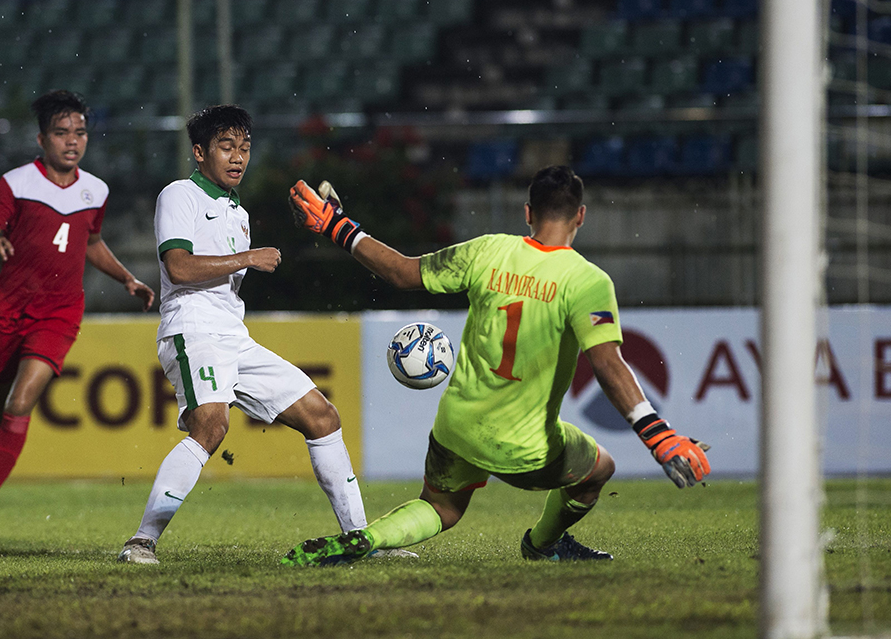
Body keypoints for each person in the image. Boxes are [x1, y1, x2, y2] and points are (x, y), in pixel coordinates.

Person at [281, 165, 711, 567]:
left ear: (528, 213)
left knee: (441, 507)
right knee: (599, 470)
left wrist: (338, 226)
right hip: (523, 447)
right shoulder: (586, 281)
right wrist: (660, 437)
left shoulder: (488, 251)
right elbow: (607, 365)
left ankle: (368, 538)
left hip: (457, 427)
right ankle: (542, 545)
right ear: (580, 216)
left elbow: (402, 273)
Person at [117, 105, 406, 564]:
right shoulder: (179, 194)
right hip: (192, 329)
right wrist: (246, 259)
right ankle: (141, 541)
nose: (237, 157)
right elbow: (178, 266)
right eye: (226, 147)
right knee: (211, 424)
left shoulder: (239, 212)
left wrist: (298, 230)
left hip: (233, 334)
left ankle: (361, 540)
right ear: (199, 152)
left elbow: (253, 258)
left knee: (322, 416)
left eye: (244, 148)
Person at [0, 89, 155, 537]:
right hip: (8, 309)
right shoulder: (16, 184)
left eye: (80, 132)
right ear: (42, 139)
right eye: (62, 132)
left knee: (20, 401)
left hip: (59, 312)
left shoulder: (95, 190)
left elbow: (90, 241)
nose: (73, 141)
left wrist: (126, 278)